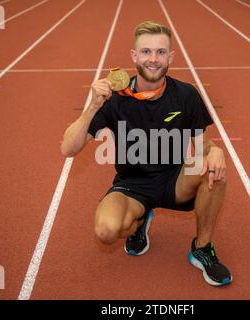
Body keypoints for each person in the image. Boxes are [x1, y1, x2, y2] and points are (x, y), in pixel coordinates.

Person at [61, 21, 231, 286]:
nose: (153, 59)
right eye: (146, 52)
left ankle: (202, 247)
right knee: (105, 231)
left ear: (171, 57)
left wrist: (216, 149)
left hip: (175, 179)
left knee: (213, 167)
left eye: (161, 52)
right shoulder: (115, 97)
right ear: (134, 56)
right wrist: (93, 107)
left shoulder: (186, 95)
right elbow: (68, 148)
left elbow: (202, 145)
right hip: (132, 185)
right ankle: (139, 219)